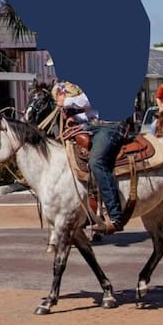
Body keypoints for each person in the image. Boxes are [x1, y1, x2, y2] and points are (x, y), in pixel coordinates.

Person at [54, 81, 131, 234]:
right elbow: (93, 112)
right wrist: (76, 118)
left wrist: (66, 101)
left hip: (111, 125)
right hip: (93, 124)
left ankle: (115, 216)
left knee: (96, 162)